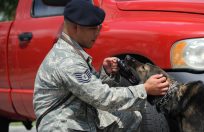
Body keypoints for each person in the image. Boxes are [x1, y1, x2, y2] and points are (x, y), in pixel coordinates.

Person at [33, 0, 169, 131]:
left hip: (78, 120)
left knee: (131, 117)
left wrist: (106, 73)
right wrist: (145, 89)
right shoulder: (67, 61)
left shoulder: (72, 52)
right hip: (62, 127)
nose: (97, 33)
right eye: (93, 28)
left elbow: (89, 90)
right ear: (75, 27)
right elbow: (102, 98)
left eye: (99, 28)